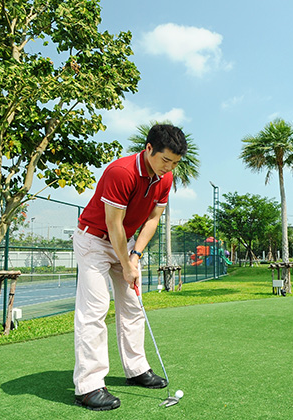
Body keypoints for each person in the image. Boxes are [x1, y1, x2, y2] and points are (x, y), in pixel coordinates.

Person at [72, 124, 187, 411]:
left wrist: (135, 256)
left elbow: (153, 219)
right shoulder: (121, 172)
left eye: (175, 163)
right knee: (95, 309)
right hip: (94, 240)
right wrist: (126, 264)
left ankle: (136, 369)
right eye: (165, 160)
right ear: (148, 148)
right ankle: (88, 386)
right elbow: (113, 224)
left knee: (134, 305)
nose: (169, 168)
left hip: (126, 242)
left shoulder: (165, 177)